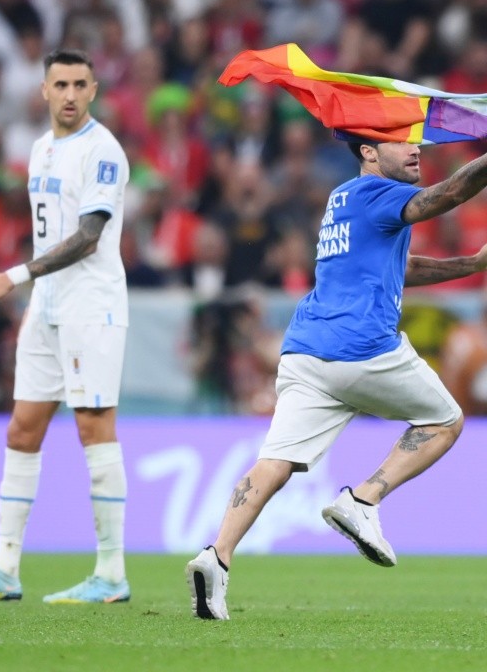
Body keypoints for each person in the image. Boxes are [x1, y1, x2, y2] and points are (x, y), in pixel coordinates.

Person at [185, 133, 487, 620]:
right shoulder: (380, 193)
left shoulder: (342, 197)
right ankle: (364, 500)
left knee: (274, 462)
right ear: (369, 153)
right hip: (362, 346)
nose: (415, 151)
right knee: (445, 420)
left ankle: (215, 557)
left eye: (417, 143)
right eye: (399, 143)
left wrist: (470, 265)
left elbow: (399, 267)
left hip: (305, 350)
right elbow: (448, 194)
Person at [0, 48, 131, 604]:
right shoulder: (41, 149)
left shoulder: (103, 152)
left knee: (94, 429)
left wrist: (15, 275)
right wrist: (33, 290)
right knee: (22, 430)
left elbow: (89, 235)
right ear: (44, 91)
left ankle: (112, 573)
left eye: (80, 83)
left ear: (94, 90)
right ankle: (5, 569)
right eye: (61, 84)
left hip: (90, 306)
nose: (70, 94)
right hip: (47, 309)